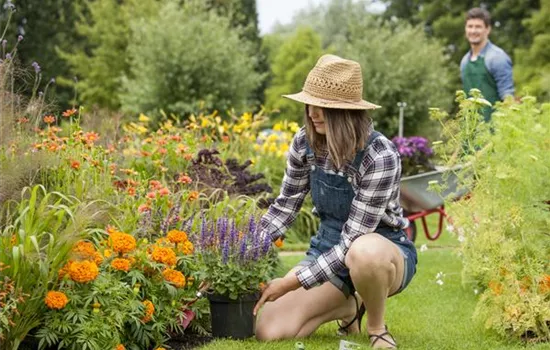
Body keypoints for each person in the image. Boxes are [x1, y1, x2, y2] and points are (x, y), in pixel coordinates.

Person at [253, 54, 417, 349]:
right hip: (327, 249)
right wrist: (243, 254)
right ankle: (349, 305)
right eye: (310, 103)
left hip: (381, 251)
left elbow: (353, 240)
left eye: (323, 106)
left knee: (363, 253)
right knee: (270, 329)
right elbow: (285, 206)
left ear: (345, 112)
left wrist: (290, 282)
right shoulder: (305, 143)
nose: (313, 113)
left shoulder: (380, 156)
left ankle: (377, 326)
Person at [461, 7, 515, 121]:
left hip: (494, 131)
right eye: (470, 26)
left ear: (487, 29)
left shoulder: (497, 58)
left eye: (478, 27)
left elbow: (508, 98)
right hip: (471, 130)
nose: (473, 31)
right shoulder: (464, 61)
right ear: (465, 29)